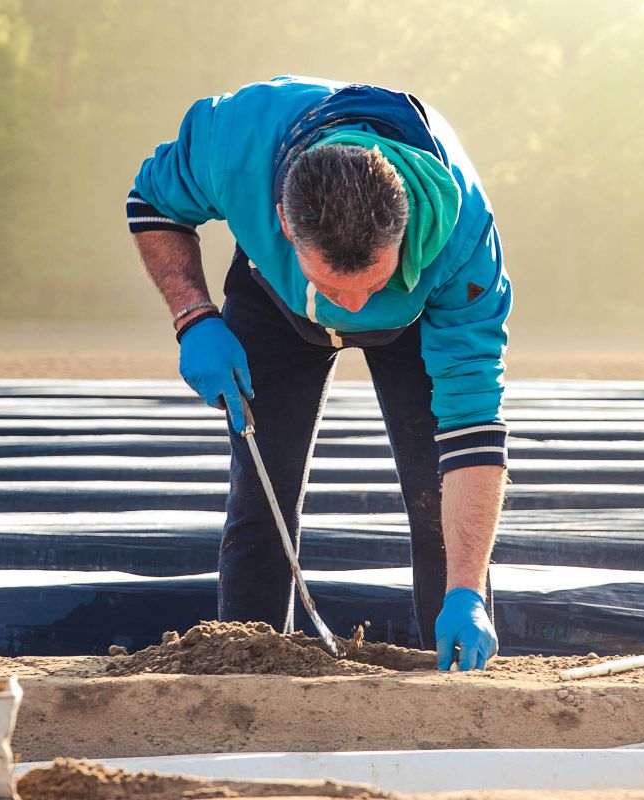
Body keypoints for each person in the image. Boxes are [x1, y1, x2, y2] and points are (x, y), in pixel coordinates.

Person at [126, 76, 511, 671]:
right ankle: (247, 672)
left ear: (405, 228)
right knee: (262, 494)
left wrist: (467, 589)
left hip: (418, 314)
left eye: (371, 284)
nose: (352, 308)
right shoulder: (233, 145)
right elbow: (151, 204)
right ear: (283, 218)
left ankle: (457, 672)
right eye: (336, 287)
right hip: (275, 301)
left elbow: (473, 431)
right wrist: (193, 316)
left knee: (435, 497)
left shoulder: (464, 243)